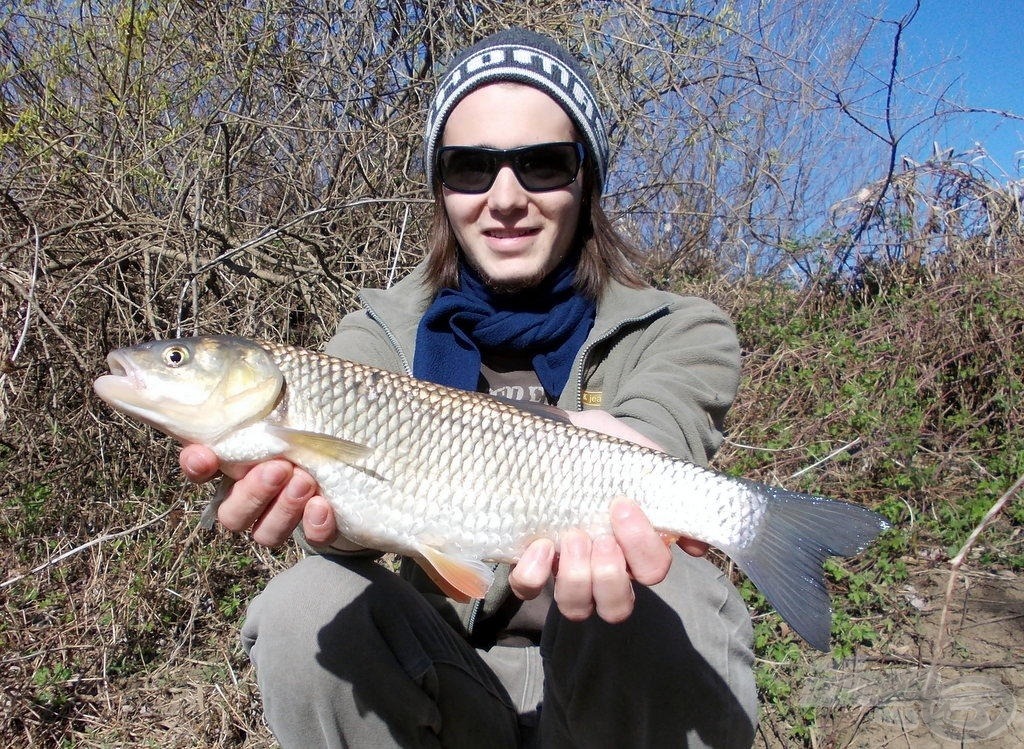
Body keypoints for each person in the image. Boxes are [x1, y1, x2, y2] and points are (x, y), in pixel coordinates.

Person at [181, 28, 757, 748]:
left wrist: (630, 466)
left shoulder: (680, 329)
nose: (505, 198)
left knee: (671, 583)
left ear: (588, 179)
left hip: (604, 675)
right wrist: (319, 512)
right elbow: (341, 524)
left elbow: (658, 435)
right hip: (449, 676)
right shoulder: (375, 339)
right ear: (441, 189)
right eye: (470, 168)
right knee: (304, 605)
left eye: (544, 164)